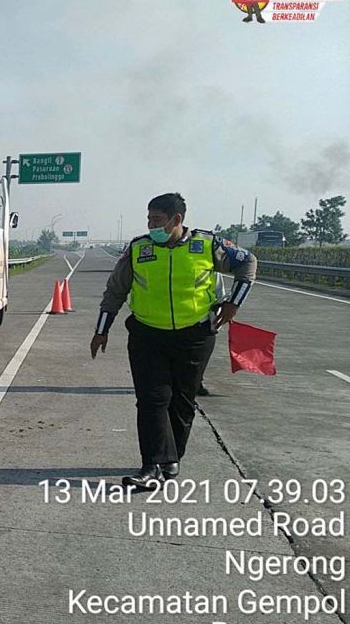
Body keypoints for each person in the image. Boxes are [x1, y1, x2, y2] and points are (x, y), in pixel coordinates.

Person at [90, 193, 256, 490]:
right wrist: (102, 329)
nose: (152, 225)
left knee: (182, 400)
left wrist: (234, 303)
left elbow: (248, 263)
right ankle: (151, 465)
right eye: (149, 219)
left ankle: (171, 458)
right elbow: (115, 290)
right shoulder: (139, 248)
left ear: (176, 220)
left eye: (158, 220)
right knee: (152, 399)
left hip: (194, 336)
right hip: (147, 335)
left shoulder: (207, 245)